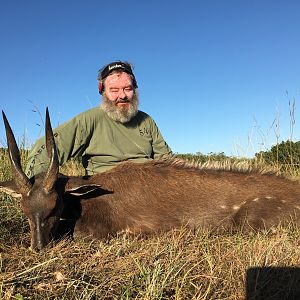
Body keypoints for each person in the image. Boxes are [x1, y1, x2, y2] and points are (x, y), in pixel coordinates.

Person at [25, 61, 172, 177]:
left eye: (127, 89)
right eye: (114, 90)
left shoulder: (146, 120)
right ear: (102, 91)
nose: (122, 96)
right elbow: (44, 147)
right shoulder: (90, 119)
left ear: (134, 89)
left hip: (149, 190)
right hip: (105, 195)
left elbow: (167, 160)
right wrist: (35, 188)